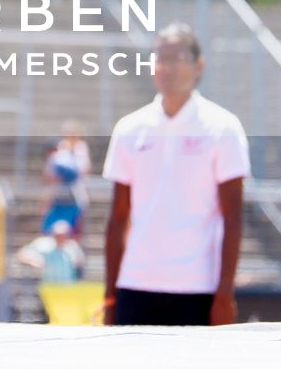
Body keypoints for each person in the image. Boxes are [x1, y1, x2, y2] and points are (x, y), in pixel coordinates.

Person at [101, 22, 249, 327]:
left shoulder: (223, 127)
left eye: (177, 57)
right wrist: (110, 295)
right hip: (136, 285)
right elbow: (118, 218)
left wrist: (223, 295)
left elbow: (232, 218)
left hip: (198, 288)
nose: (167, 67)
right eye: (160, 58)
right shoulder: (130, 128)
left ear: (198, 65)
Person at [41, 123, 92, 235]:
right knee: (51, 227)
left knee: (73, 229)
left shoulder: (81, 149)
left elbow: (84, 171)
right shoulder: (59, 150)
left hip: (76, 194)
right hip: (58, 194)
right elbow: (50, 175)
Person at [17, 220, 85, 283]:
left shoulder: (72, 246)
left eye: (63, 235)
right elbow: (22, 253)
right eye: (58, 235)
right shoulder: (43, 244)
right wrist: (35, 262)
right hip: (49, 286)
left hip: (67, 287)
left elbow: (80, 261)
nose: (60, 238)